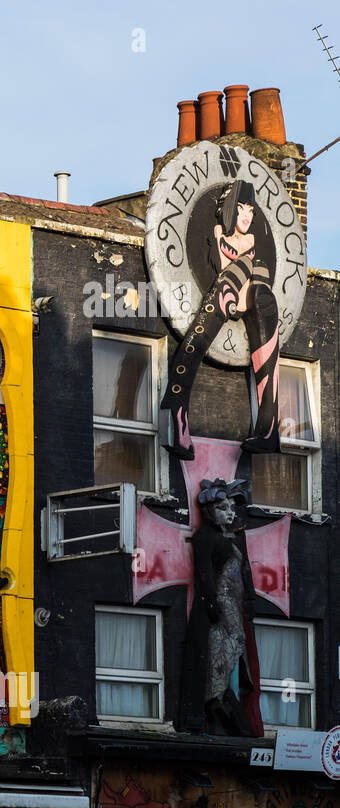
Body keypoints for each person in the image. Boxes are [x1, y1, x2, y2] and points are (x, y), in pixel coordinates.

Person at [161, 180, 281, 460]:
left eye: (250, 209)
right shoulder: (219, 233)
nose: (246, 215)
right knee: (237, 278)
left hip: (246, 295)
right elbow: (220, 266)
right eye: (240, 208)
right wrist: (240, 271)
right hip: (225, 294)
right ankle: (176, 409)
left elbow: (253, 278)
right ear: (229, 209)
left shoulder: (253, 241)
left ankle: (269, 426)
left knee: (262, 293)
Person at [178, 479, 263, 737]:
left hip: (235, 610)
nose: (230, 512)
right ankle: (217, 709)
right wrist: (211, 602)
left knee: (236, 657)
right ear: (210, 511)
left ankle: (232, 712)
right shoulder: (205, 536)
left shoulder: (237, 536)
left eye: (231, 507)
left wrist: (250, 598)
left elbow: (246, 569)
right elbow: (204, 571)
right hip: (219, 608)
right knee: (217, 659)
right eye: (223, 507)